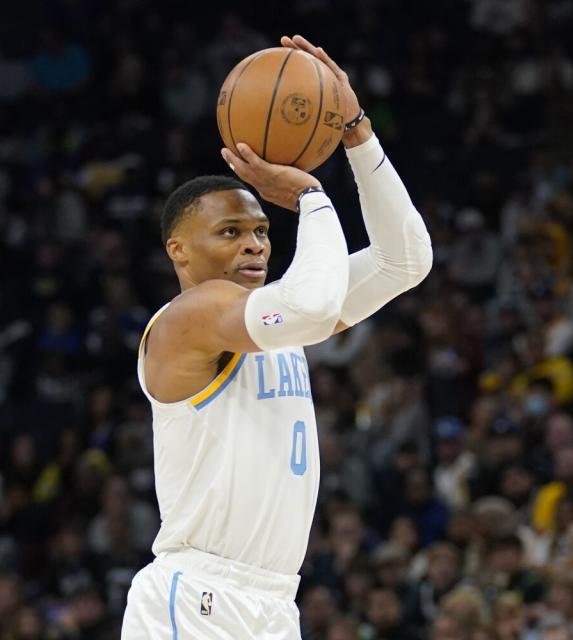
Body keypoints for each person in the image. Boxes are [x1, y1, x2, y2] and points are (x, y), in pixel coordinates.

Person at [120, 34, 432, 639]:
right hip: (199, 595)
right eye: (230, 232)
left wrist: (357, 133)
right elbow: (313, 305)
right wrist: (311, 196)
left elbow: (406, 260)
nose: (256, 243)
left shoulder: (275, 319)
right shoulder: (192, 315)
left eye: (261, 229)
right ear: (178, 250)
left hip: (272, 600)